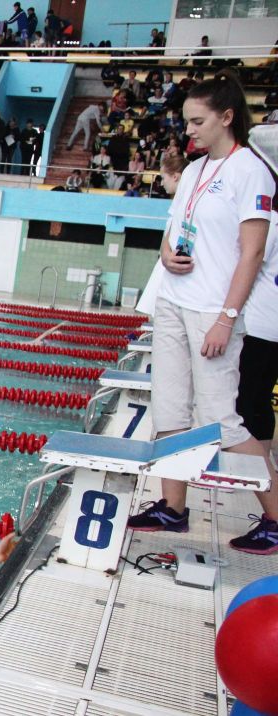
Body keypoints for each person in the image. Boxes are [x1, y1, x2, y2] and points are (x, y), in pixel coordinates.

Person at [127, 70, 278, 555]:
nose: (188, 130)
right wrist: (166, 255)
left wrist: (227, 317)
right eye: (187, 121)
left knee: (222, 421)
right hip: (172, 302)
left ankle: (276, 518)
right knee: (169, 411)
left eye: (197, 122)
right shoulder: (192, 171)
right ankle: (173, 508)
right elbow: (172, 231)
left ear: (227, 117)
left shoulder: (250, 171)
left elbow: (252, 254)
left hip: (213, 310)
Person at [236, 209, 278, 469]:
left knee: (242, 401)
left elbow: (250, 261)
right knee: (261, 399)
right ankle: (261, 470)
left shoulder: (270, 223)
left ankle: (247, 469)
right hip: (273, 329)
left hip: (257, 327)